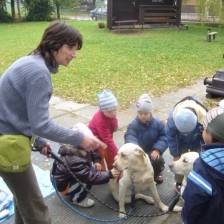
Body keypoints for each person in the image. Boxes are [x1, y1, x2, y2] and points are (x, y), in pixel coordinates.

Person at [0, 21, 105, 224]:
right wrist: (81, 138)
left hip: (8, 137)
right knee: (36, 209)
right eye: (71, 47)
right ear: (54, 45)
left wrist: (38, 142)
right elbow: (41, 125)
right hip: (7, 145)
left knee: (24, 199)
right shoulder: (39, 73)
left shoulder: (31, 62)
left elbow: (19, 113)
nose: (74, 54)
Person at [52, 123, 120, 208]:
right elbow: (88, 177)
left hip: (68, 177)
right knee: (88, 177)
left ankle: (77, 189)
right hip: (65, 186)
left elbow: (93, 151)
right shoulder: (73, 159)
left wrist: (96, 161)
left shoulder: (81, 146)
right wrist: (109, 174)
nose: (90, 144)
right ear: (81, 143)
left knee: (89, 171)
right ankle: (77, 199)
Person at [182, 107, 224, 224]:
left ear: (211, 135)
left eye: (203, 129)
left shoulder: (203, 168)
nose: (202, 131)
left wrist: (187, 219)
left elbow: (193, 202)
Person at [165, 96, 207, 191]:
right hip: (181, 143)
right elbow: (171, 137)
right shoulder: (172, 120)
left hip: (197, 141)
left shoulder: (203, 118)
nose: (186, 134)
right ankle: (179, 182)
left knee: (197, 163)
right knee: (179, 162)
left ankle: (196, 181)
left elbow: (206, 136)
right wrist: (175, 154)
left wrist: (202, 150)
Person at [124, 93, 167, 184]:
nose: (142, 116)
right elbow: (130, 137)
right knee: (134, 164)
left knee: (158, 161)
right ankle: (140, 173)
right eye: (140, 113)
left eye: (145, 113)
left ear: (150, 113)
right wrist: (136, 150)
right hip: (139, 153)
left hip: (152, 152)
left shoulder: (158, 123)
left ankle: (157, 172)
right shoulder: (133, 125)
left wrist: (157, 149)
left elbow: (164, 136)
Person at [89, 89, 119, 170]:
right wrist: (116, 153)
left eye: (115, 109)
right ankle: (101, 174)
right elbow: (107, 139)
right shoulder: (101, 120)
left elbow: (114, 121)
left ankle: (113, 169)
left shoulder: (110, 114)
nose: (113, 113)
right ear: (103, 110)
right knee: (100, 157)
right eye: (109, 111)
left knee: (110, 155)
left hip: (106, 137)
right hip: (96, 140)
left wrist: (115, 126)